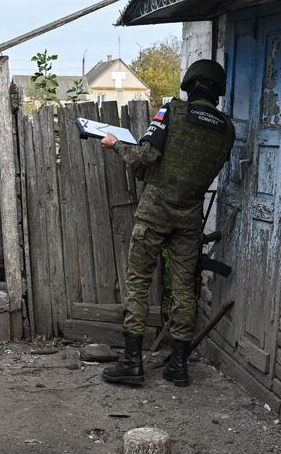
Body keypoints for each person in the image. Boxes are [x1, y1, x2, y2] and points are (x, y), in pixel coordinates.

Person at [99, 58, 235, 387]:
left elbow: (144, 158)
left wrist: (116, 145)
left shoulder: (173, 112)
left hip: (155, 211)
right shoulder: (227, 129)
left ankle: (132, 363)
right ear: (217, 91)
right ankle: (179, 366)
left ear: (190, 84)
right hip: (189, 216)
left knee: (139, 283)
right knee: (185, 289)